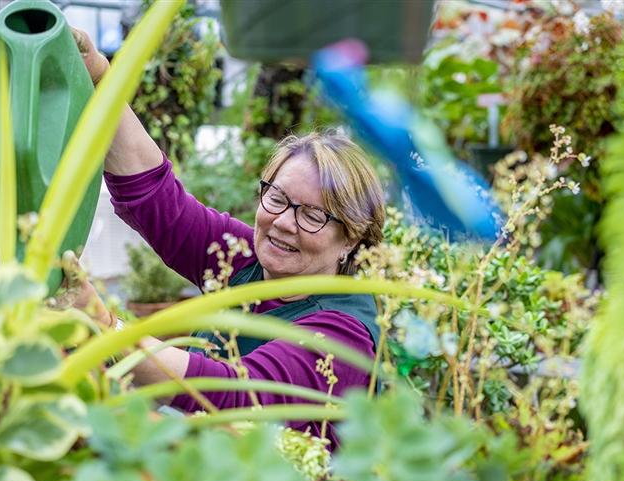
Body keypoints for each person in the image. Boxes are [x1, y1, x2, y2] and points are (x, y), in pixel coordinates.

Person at [67, 29, 386, 447]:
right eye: (277, 197)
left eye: (312, 215)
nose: (284, 222)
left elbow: (235, 393)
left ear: (351, 239)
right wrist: (99, 77)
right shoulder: (242, 258)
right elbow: (157, 201)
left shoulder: (344, 332)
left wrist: (104, 322)